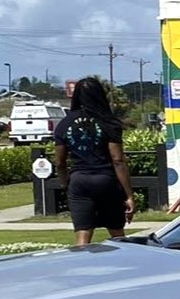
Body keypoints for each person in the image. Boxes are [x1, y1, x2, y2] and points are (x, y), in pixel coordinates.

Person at [54, 77, 136, 245]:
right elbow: (118, 160)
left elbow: (60, 162)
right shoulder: (108, 122)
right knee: (117, 233)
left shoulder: (64, 124)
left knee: (83, 234)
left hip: (79, 181)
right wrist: (129, 194)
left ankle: (82, 261)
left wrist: (66, 183)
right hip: (106, 180)